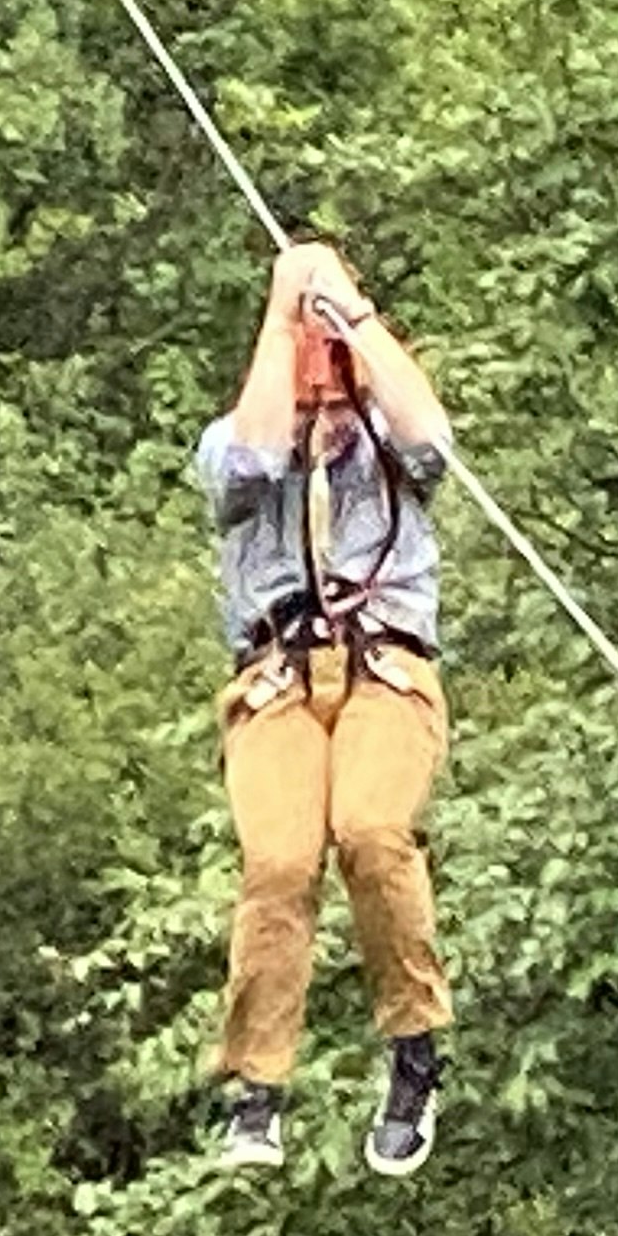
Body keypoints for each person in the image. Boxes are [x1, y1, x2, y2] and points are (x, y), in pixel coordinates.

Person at [196, 238, 455, 1174]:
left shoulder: (392, 452)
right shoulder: (239, 450)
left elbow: (431, 433)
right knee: (279, 860)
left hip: (386, 674)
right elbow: (255, 454)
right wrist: (282, 314)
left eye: (340, 402)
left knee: (372, 830)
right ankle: (256, 1085)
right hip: (277, 686)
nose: (329, 423)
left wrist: (352, 314)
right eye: (319, 404)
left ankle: (414, 1046)